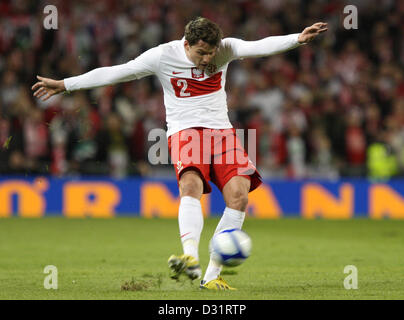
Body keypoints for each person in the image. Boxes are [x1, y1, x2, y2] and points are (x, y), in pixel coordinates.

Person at [32, 17, 327, 290]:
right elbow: (116, 73)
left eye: (211, 53)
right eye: (201, 53)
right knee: (191, 186)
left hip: (221, 132)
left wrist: (296, 39)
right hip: (185, 131)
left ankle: (211, 276)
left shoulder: (223, 49)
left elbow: (257, 47)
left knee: (239, 195)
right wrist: (66, 85)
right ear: (186, 44)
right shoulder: (162, 56)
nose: (208, 59)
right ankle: (189, 257)